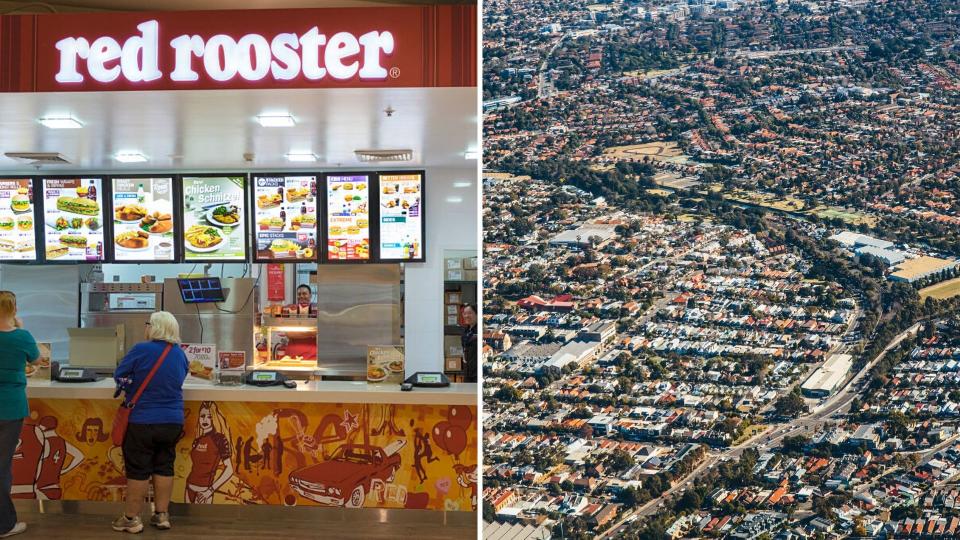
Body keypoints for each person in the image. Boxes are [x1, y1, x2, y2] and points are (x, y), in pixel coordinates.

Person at [112, 311, 189, 533]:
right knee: (164, 466)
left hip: (142, 421)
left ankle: (131, 519)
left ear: (153, 327)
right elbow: (180, 377)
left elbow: (120, 375)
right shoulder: (179, 354)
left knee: (138, 470)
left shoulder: (141, 349)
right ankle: (162, 515)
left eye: (148, 324)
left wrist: (129, 384)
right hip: (173, 421)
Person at [0, 291, 40, 538]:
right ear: (14, 309)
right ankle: (4, 524)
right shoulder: (22, 336)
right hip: (11, 408)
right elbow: (37, 359)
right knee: (2, 467)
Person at [185, 401, 234, 504]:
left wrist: (210, 490)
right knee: (188, 519)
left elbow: (229, 469)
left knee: (204, 519)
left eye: (209, 417)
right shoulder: (197, 440)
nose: (205, 420)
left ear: (214, 418)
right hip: (189, 488)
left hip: (204, 491)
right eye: (202, 416)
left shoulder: (220, 439)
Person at [460, 304, 478, 383]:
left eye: (470, 313)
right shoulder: (465, 331)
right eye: (464, 313)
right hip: (467, 372)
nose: (466, 316)